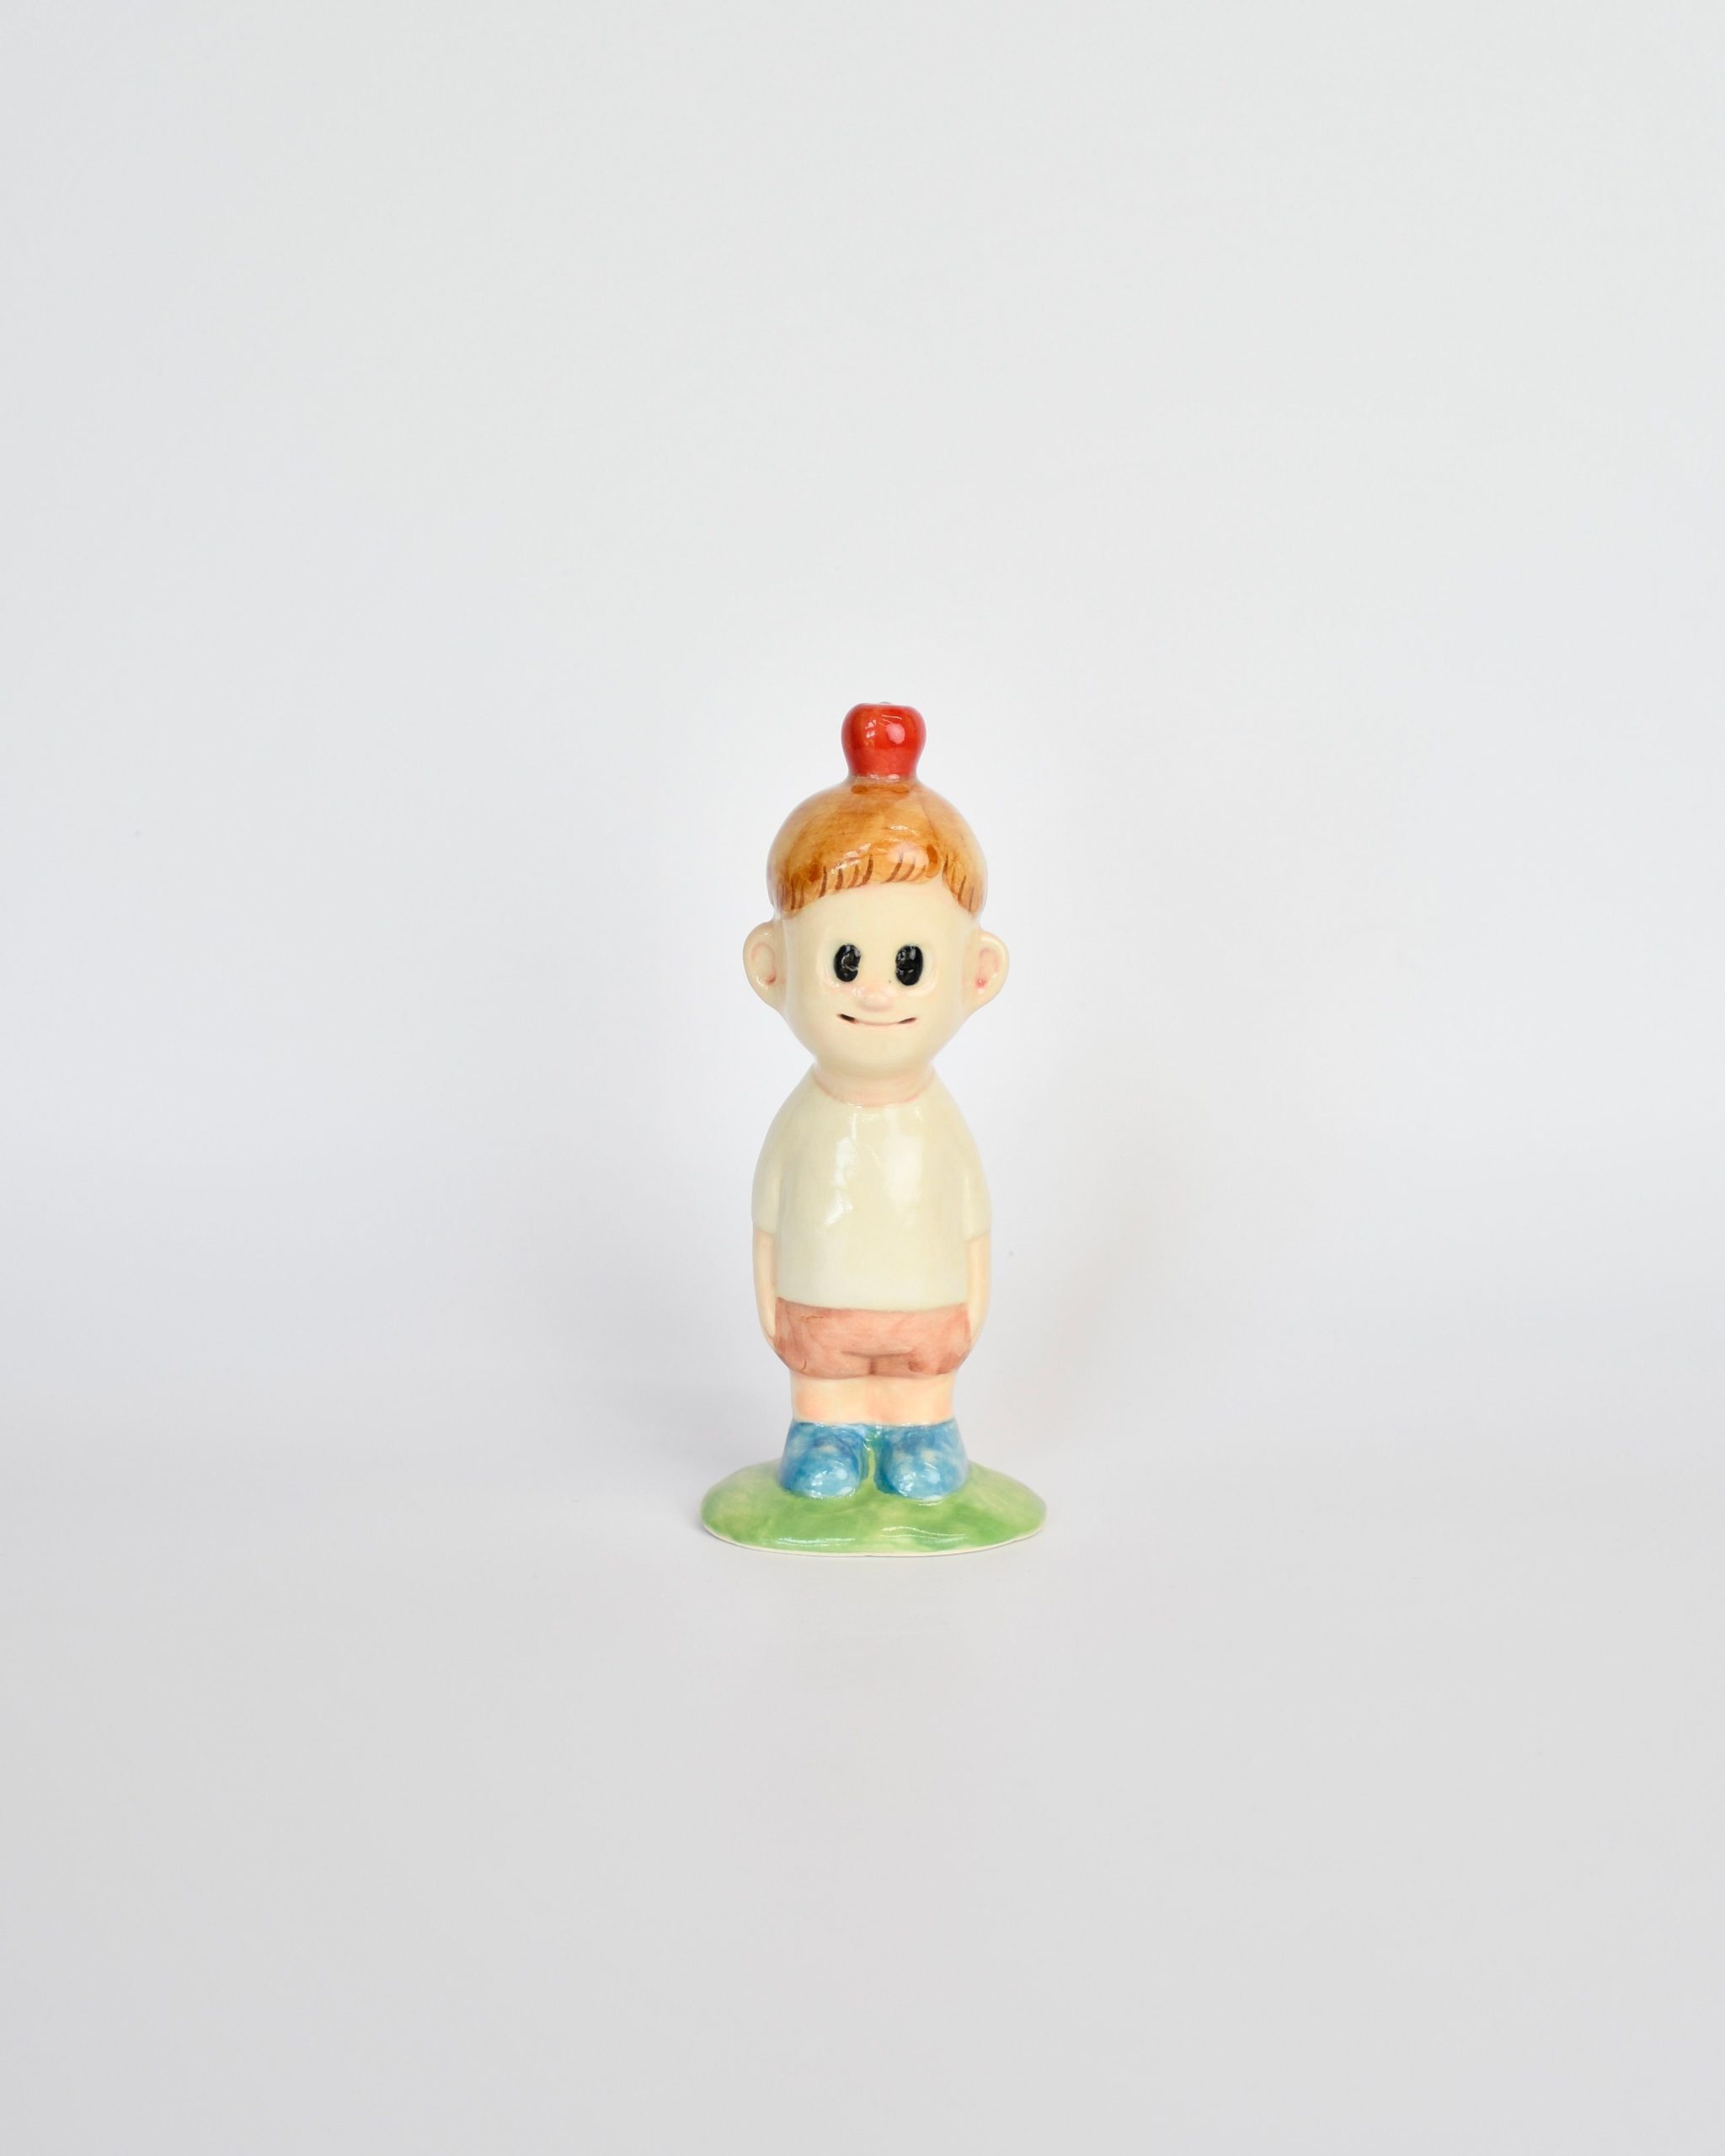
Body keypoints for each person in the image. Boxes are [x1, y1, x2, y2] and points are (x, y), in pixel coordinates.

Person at [742, 703, 1009, 1500]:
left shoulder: (936, 1124)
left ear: (978, 974)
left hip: (926, 1308)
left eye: (910, 964)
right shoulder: (806, 1121)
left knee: (918, 1384)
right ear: (771, 966)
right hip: (819, 1307)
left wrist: (972, 1310)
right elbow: (768, 1217)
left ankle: (922, 1432)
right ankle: (824, 1432)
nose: (877, 992)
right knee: (825, 1384)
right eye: (846, 961)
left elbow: (972, 1220)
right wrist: (772, 1309)